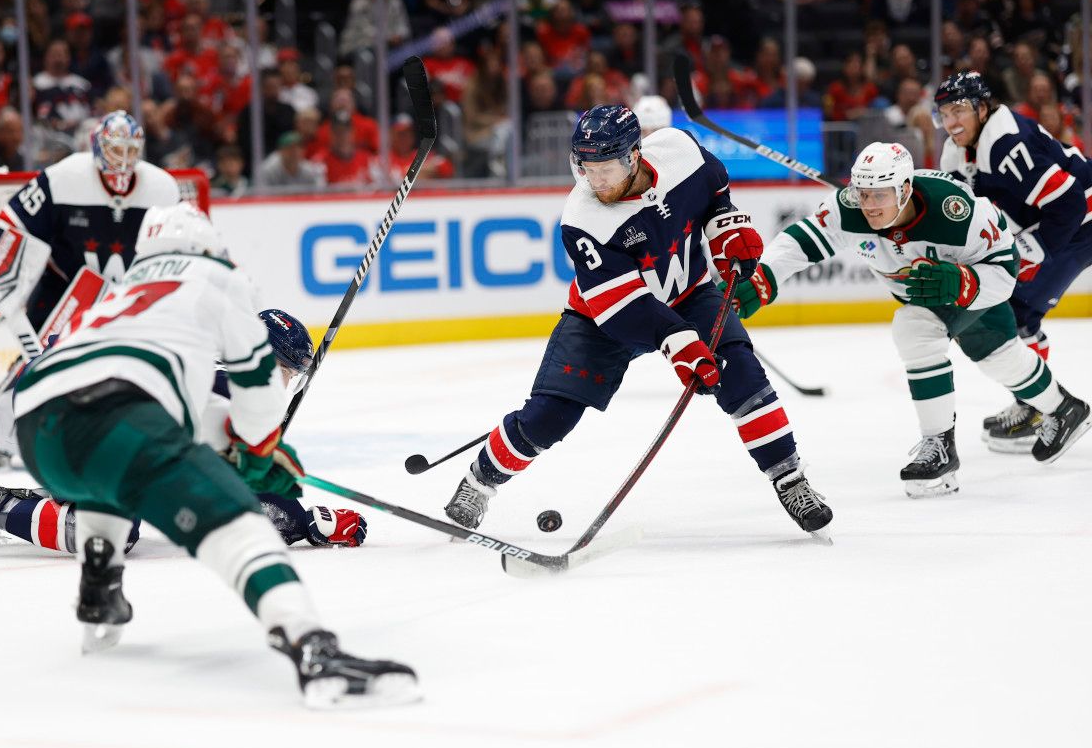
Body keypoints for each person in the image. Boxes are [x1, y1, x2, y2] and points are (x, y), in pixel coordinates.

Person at [0, 203, 416, 707]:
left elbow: (189, 416)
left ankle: (99, 581)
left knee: (121, 487)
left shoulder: (128, 290)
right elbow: (255, 414)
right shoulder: (219, 281)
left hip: (37, 422)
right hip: (117, 413)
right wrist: (266, 457)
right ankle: (310, 643)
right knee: (236, 527)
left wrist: (247, 453)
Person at [443, 104, 832, 539]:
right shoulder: (582, 219)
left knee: (742, 375)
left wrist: (724, 226)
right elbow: (624, 307)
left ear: (634, 156)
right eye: (586, 167)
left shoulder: (680, 151)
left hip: (690, 295)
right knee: (550, 416)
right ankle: (478, 482)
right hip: (602, 318)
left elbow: (715, 192)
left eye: (606, 167)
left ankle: (790, 478)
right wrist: (679, 343)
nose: (596, 180)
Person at [731, 142, 1089, 497]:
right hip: (936, 292)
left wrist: (964, 282)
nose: (868, 205)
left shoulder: (954, 210)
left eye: (879, 195)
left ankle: (940, 446)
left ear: (905, 190)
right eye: (863, 193)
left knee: (914, 329)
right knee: (999, 356)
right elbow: (801, 241)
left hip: (975, 281)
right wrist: (765, 277)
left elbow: (1005, 270)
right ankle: (1065, 408)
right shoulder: (849, 209)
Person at [0, 309, 368, 559]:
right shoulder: (222, 385)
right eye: (286, 371)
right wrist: (306, 520)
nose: (287, 384)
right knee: (112, 533)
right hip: (67, 405)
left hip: (64, 398)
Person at [0, 111, 181, 463]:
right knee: (44, 364)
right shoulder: (65, 177)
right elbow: (9, 224)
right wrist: (9, 280)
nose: (123, 160)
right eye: (116, 150)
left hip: (130, 300)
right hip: (65, 293)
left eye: (131, 151)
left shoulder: (163, 189)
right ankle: (2, 429)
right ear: (98, 147)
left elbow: (184, 245)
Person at [934, 71, 1092, 451]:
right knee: (1014, 307)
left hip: (1080, 221)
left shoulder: (1007, 144)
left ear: (983, 109)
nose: (951, 122)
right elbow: (956, 209)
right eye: (944, 113)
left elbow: (1069, 202)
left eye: (959, 110)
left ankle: (1042, 410)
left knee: (1017, 307)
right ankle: (1037, 404)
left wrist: (1035, 250)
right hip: (1055, 219)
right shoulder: (957, 150)